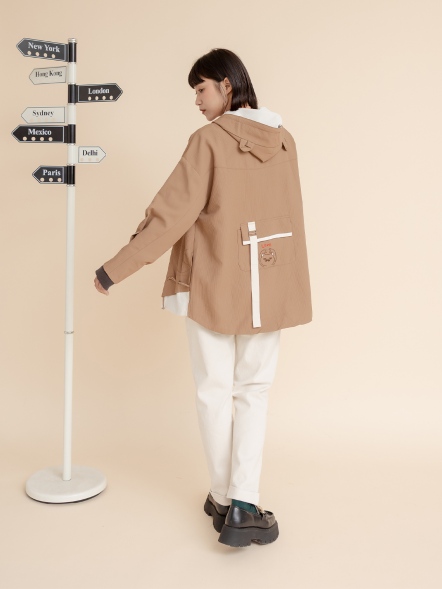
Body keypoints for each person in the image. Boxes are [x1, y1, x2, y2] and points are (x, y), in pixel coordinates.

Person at [94, 48, 312, 547]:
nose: (196, 100)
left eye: (201, 88)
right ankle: (243, 503)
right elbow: (291, 217)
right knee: (253, 391)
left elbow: (171, 214)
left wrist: (114, 270)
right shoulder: (285, 140)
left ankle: (223, 497)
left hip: (213, 283)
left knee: (213, 391)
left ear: (226, 86)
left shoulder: (207, 141)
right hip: (269, 282)